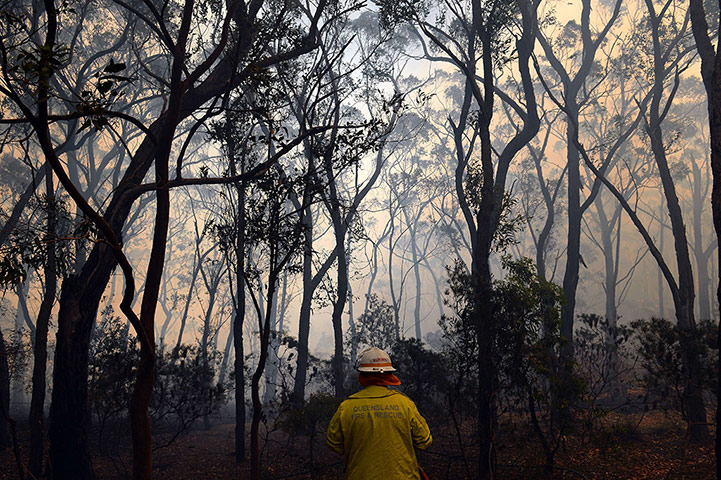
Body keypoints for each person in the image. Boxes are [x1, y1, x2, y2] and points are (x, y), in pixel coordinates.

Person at [326, 346, 432, 480]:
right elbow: (424, 441)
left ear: (362, 374)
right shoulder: (405, 404)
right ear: (389, 374)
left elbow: (334, 444)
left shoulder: (346, 408)